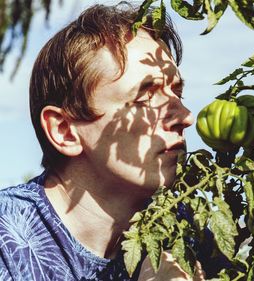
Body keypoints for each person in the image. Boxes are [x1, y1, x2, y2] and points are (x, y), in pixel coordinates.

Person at [0, 2, 206, 280]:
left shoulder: (185, 232)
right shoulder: (8, 243)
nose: (185, 117)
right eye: (145, 96)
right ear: (64, 131)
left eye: (176, 94)